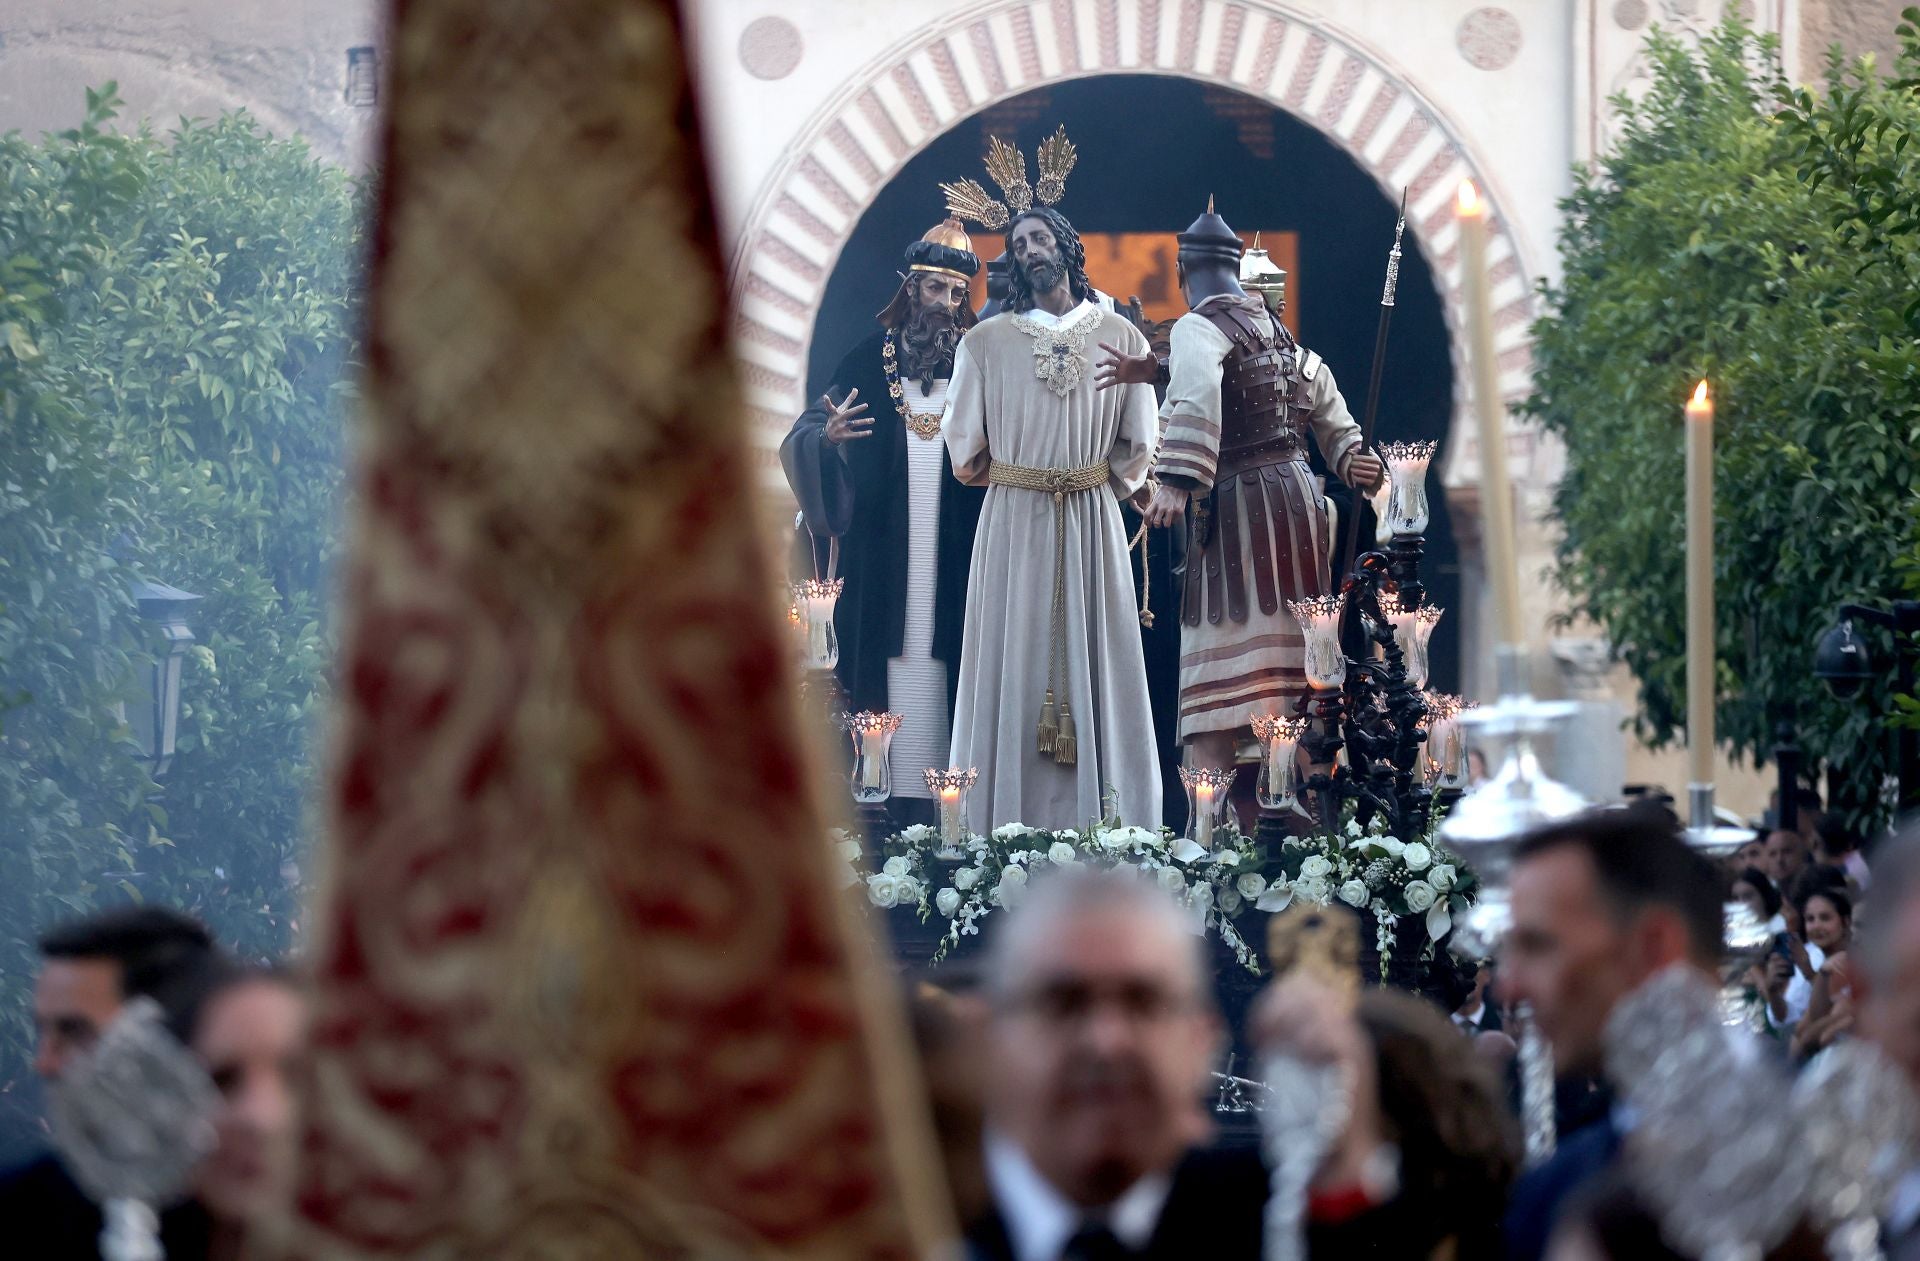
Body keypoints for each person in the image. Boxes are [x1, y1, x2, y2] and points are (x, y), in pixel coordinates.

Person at [1093, 200, 1382, 782]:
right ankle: (1320, 830)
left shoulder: (1200, 325)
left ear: (1184, 275)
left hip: (1240, 515)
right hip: (1298, 509)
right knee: (1301, 683)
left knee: (1214, 696)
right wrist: (1355, 463)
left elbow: (1201, 389)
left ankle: (1210, 825)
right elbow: (1336, 429)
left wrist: (1175, 480)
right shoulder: (1288, 348)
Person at [942, 202, 1163, 830]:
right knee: (1013, 661)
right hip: (1014, 524)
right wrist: (1022, 479)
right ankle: (1006, 826)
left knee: (1098, 662)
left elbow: (1138, 442)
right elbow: (964, 448)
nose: (1031, 250)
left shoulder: (1121, 337)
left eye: (1040, 237)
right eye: (1019, 244)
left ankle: (1107, 824)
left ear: (1067, 244)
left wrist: (1093, 483)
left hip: (1091, 522)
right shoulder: (984, 342)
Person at [781, 216, 988, 809]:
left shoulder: (977, 367)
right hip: (880, 560)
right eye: (934, 289)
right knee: (884, 670)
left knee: (947, 663)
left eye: (956, 294)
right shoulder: (869, 361)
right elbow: (805, 430)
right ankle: (882, 816)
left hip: (957, 558)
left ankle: (949, 823)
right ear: (910, 288)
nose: (945, 305)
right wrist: (826, 439)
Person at [964, 869, 1258, 1261]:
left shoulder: (1279, 1230)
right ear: (991, 1039)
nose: (1106, 1043)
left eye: (1144, 1002)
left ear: (1201, 1042)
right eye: (1064, 1002)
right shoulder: (898, 1229)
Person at [1495, 805, 1727, 1261]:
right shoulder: (1549, 1198)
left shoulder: (1834, 1153)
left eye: (1539, 945)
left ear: (1654, 946)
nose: (1511, 985)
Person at [0, 906, 218, 1255]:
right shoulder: (22, 1216)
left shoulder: (272, 1223)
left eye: (74, 1032)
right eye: (44, 1031)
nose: (46, 1063)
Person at [1454, 959, 1504, 1035]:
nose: (1466, 985)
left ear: (1487, 976)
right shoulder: (1434, 1021)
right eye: (1460, 978)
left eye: (1472, 978)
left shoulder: (1500, 1027)